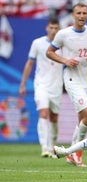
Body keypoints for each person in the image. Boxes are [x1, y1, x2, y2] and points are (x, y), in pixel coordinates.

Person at [46, 3, 87, 167]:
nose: (81, 16)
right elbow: (49, 52)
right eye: (78, 13)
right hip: (72, 79)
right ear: (73, 15)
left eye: (84, 13)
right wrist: (65, 60)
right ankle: (76, 152)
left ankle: (71, 154)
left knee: (82, 118)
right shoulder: (63, 34)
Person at [19, 17, 62, 158]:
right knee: (43, 114)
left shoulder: (63, 45)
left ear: (59, 29)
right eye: (51, 27)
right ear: (47, 28)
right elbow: (29, 63)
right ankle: (44, 147)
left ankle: (53, 146)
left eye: (56, 28)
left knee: (54, 118)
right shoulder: (37, 43)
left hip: (56, 86)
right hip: (41, 84)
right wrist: (23, 84)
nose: (54, 30)